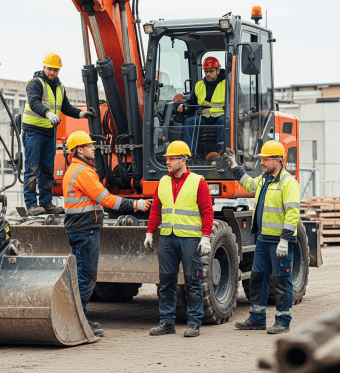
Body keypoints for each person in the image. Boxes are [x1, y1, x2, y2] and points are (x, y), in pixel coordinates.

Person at [63, 130, 151, 337]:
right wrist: (136, 204)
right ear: (79, 149)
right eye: (89, 145)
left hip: (78, 229)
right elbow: (107, 200)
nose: (93, 148)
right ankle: (80, 322)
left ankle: (77, 318)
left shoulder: (74, 170)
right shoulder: (83, 172)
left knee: (79, 276)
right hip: (85, 231)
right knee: (86, 277)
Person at [223, 140, 301, 334]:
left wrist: (284, 240)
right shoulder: (264, 180)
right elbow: (248, 183)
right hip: (263, 240)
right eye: (262, 159)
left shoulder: (288, 183)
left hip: (279, 242)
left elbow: (292, 213)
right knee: (258, 278)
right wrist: (234, 166)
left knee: (281, 281)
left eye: (266, 159)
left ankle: (283, 321)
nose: (262, 163)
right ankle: (257, 318)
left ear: (278, 160)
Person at [144, 141, 214, 337]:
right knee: (166, 282)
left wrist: (206, 237)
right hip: (167, 238)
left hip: (190, 240)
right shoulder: (163, 182)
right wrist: (150, 232)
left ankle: (193, 323)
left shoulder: (197, 181)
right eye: (166, 158)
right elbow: (156, 209)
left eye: (171, 158)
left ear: (183, 160)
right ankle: (166, 322)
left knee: (193, 282)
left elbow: (207, 211)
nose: (167, 161)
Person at [22, 53, 94, 216]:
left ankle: (46, 203)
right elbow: (34, 103)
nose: (52, 72)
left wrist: (81, 114)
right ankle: (31, 205)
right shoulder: (35, 83)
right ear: (44, 67)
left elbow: (66, 107)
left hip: (49, 133)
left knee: (48, 168)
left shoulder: (60, 87)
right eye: (49, 69)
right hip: (33, 131)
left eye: (55, 70)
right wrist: (48, 114)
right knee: (32, 168)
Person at [177, 56, 226, 154]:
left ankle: (221, 153)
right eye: (206, 71)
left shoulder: (228, 84)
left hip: (220, 117)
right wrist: (184, 107)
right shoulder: (198, 85)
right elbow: (191, 102)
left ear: (218, 71)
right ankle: (190, 155)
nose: (208, 74)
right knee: (189, 122)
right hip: (204, 118)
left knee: (224, 121)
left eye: (211, 71)